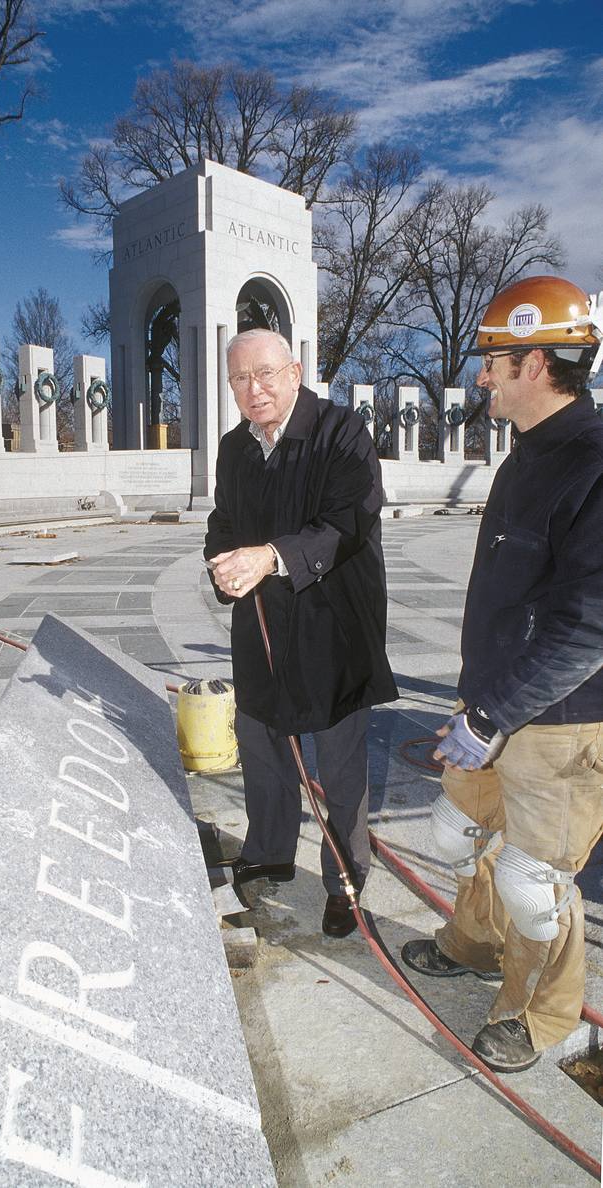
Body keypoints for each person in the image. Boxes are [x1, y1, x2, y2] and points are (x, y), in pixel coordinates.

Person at [401, 275, 603, 1073]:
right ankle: (475, 944)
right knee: (460, 832)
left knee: (533, 879)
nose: (480, 374)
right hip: (490, 703)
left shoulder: (592, 464)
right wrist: (478, 708)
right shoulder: (529, 457)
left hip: (561, 722)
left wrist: (491, 718)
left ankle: (542, 1017)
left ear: (537, 363)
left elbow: (590, 623)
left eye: (493, 360)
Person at [204, 328, 397, 937]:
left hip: (332, 620)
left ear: (295, 371)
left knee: (339, 761)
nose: (253, 389)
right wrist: (224, 564)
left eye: (264, 374)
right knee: (261, 741)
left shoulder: (341, 431)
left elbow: (351, 519)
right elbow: (223, 519)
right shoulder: (235, 448)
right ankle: (270, 847)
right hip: (261, 621)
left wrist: (270, 556)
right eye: (239, 379)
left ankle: (345, 874)